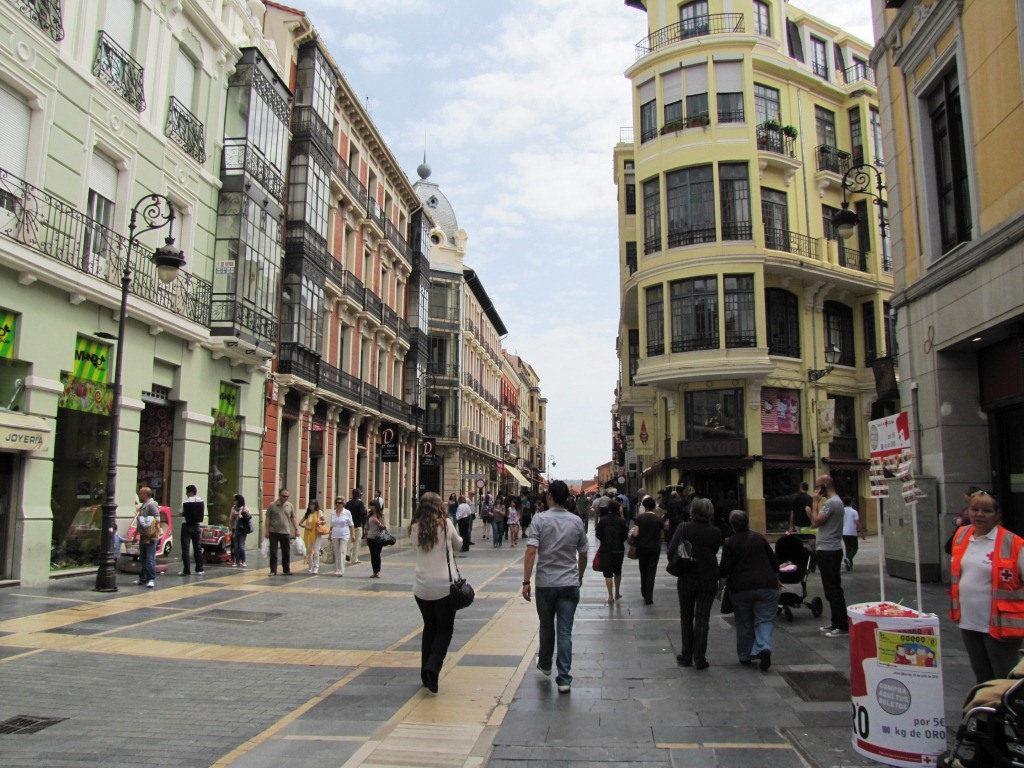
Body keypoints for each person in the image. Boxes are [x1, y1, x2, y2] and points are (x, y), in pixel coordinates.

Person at [949, 491, 1024, 683]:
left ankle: (1007, 713)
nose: (979, 514)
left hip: (1001, 624)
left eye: (986, 510)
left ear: (997, 515)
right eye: (975, 509)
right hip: (969, 621)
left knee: (1004, 680)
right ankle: (985, 712)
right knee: (982, 677)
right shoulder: (962, 535)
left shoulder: (1013, 543)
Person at [522, 480, 588, 694]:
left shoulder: (539, 520)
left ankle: (546, 664)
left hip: (545, 583)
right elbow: (584, 553)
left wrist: (525, 581)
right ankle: (564, 678)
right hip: (569, 583)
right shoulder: (576, 521)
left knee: (546, 625)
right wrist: (579, 576)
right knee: (565, 631)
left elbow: (531, 551)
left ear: (549, 496)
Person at [409, 491, 463, 694]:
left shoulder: (415, 527)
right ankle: (432, 668)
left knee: (429, 627)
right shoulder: (446, 524)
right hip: (444, 587)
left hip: (421, 587)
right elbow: (459, 545)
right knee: (445, 630)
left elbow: (417, 546)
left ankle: (425, 673)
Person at [719, 509, 780, 670]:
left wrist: (720, 589)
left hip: (741, 588)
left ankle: (745, 655)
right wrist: (777, 579)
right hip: (767, 584)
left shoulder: (729, 542)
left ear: (732, 526)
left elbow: (724, 569)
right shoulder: (759, 538)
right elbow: (774, 563)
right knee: (765, 619)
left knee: (744, 621)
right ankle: (764, 646)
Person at [668, 497, 721, 669]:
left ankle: (686, 655)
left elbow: (671, 551)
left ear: (692, 511)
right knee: (703, 618)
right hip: (709, 577)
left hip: (687, 577)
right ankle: (700, 658)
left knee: (686, 616)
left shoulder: (684, 528)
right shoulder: (716, 531)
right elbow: (714, 550)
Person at [811, 475, 848, 638]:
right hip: (830, 548)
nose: (817, 490)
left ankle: (841, 624)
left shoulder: (831, 503)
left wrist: (814, 503)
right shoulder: (836, 502)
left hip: (829, 550)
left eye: (818, 487)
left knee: (833, 589)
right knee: (830, 588)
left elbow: (816, 522)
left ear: (825, 486)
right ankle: (836, 621)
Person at [595, 498, 628, 604]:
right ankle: (617, 592)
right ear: (618, 509)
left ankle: (610, 596)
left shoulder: (603, 520)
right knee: (618, 571)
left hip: (605, 550)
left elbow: (598, 535)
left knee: (608, 574)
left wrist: (604, 540)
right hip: (619, 550)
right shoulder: (622, 521)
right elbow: (625, 536)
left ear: (608, 509)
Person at [633, 496, 664, 605]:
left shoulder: (640, 518)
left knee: (643, 570)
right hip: (654, 548)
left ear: (644, 506)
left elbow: (635, 533)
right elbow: (661, 536)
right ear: (654, 506)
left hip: (642, 547)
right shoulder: (659, 519)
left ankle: (643, 591)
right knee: (652, 571)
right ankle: (649, 596)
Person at [265, 488, 299, 576]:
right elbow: (268, 518)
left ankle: (286, 569)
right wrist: (267, 531)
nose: (285, 498)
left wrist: (296, 529)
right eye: (284, 496)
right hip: (274, 532)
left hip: (285, 532)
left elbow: (293, 518)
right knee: (273, 552)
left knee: (286, 551)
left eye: (287, 496)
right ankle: (273, 570)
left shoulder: (290, 505)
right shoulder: (272, 505)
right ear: (279, 495)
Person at [135, 486, 159, 588]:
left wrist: (148, 524)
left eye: (141, 493)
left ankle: (150, 578)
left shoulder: (151, 505)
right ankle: (143, 578)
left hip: (150, 535)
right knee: (144, 557)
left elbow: (157, 518)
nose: (140, 495)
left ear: (145, 494)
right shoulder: (144, 505)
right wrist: (136, 533)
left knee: (149, 557)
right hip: (144, 535)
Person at [178, 484, 205, 576]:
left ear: (190, 492)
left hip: (186, 525)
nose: (186, 494)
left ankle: (187, 570)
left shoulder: (185, 502)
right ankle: (199, 569)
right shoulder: (201, 501)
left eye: (187, 492)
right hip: (196, 526)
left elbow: (180, 513)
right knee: (197, 547)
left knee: (185, 548)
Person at [330, 496, 354, 577]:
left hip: (344, 534)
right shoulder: (333, 512)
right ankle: (336, 569)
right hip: (335, 534)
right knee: (336, 552)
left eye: (339, 503)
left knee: (341, 551)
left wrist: (353, 534)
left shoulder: (347, 512)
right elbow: (332, 525)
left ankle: (341, 569)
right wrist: (330, 534)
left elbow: (351, 525)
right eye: (336, 503)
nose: (337, 504)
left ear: (343, 504)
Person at [300, 500, 325, 574]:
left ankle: (316, 567)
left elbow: (324, 521)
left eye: (313, 505)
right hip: (308, 534)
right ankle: (310, 566)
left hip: (317, 534)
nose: (311, 506)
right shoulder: (307, 514)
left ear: (315, 505)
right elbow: (300, 523)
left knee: (316, 551)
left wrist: (319, 522)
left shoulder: (319, 512)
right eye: (310, 505)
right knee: (309, 551)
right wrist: (306, 526)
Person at [365, 499, 388, 578]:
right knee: (372, 555)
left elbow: (384, 526)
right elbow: (366, 527)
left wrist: (378, 522)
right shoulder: (369, 515)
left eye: (372, 505)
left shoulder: (381, 515)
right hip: (370, 537)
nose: (370, 507)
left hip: (378, 537)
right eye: (370, 505)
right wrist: (366, 536)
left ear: (376, 506)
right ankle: (374, 571)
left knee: (377, 554)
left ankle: (378, 571)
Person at [842, 496, 865, 571]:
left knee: (848, 548)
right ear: (851, 503)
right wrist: (861, 533)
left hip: (844, 532)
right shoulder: (854, 511)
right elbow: (857, 523)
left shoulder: (842, 511)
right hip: (852, 532)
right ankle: (848, 559)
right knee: (855, 548)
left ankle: (849, 566)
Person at [229, 494, 252, 567]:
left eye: (235, 500)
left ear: (239, 501)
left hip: (242, 529)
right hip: (235, 528)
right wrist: (230, 527)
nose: (234, 502)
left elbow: (249, 517)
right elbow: (230, 519)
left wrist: (242, 516)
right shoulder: (233, 508)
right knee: (235, 546)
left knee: (241, 545)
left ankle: (243, 561)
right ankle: (237, 561)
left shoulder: (244, 508)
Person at [345, 489, 367, 565]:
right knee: (357, 542)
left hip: (349, 525)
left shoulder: (348, 503)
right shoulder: (360, 503)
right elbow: (362, 513)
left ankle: (347, 553)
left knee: (350, 540)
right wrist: (365, 511)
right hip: (357, 524)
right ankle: (354, 558)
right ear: (359, 495)